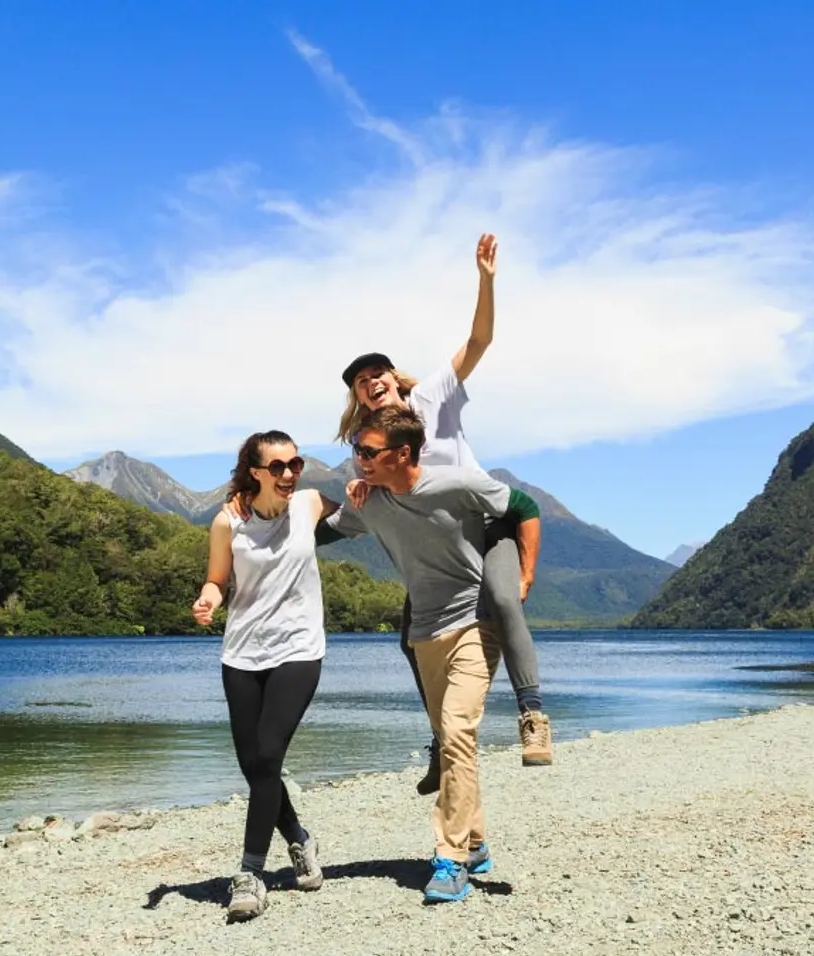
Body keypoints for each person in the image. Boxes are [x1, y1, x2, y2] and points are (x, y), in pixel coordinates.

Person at [334, 232, 553, 788]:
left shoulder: (433, 395)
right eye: (361, 383)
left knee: (504, 598)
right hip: (439, 549)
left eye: (375, 373)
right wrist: (360, 489)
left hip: (487, 524)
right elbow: (370, 494)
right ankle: (440, 738)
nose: (370, 383)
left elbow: (478, 340)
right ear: (359, 399)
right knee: (410, 633)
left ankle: (532, 716)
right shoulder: (370, 446)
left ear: (392, 376)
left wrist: (485, 280)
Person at [323, 406, 542, 904]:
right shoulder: (369, 501)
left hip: (474, 624)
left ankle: (450, 859)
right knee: (449, 741)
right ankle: (476, 841)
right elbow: (321, 532)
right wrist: (257, 517)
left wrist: (524, 574)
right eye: (356, 451)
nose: (358, 460)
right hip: (424, 632)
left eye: (367, 452)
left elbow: (524, 506)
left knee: (459, 733)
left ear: (403, 453)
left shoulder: (458, 485)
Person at [192, 430, 329, 922]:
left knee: (269, 754)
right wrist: (210, 598)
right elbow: (217, 578)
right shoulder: (228, 521)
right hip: (242, 654)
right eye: (278, 467)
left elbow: (367, 499)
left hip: (299, 649)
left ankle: (250, 873)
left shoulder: (311, 504)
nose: (289, 474)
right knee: (256, 766)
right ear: (255, 471)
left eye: (296, 464)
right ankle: (299, 838)